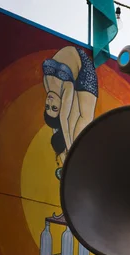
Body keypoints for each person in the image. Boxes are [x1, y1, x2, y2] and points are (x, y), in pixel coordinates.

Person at [42, 45, 98, 180]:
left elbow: (61, 122)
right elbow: (63, 125)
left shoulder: (47, 84)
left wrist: (69, 150)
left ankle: (74, 162)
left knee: (84, 117)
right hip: (75, 74)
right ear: (60, 106)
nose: (49, 102)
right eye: (54, 107)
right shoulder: (65, 90)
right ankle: (72, 163)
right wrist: (68, 147)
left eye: (48, 107)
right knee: (76, 125)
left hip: (85, 70)